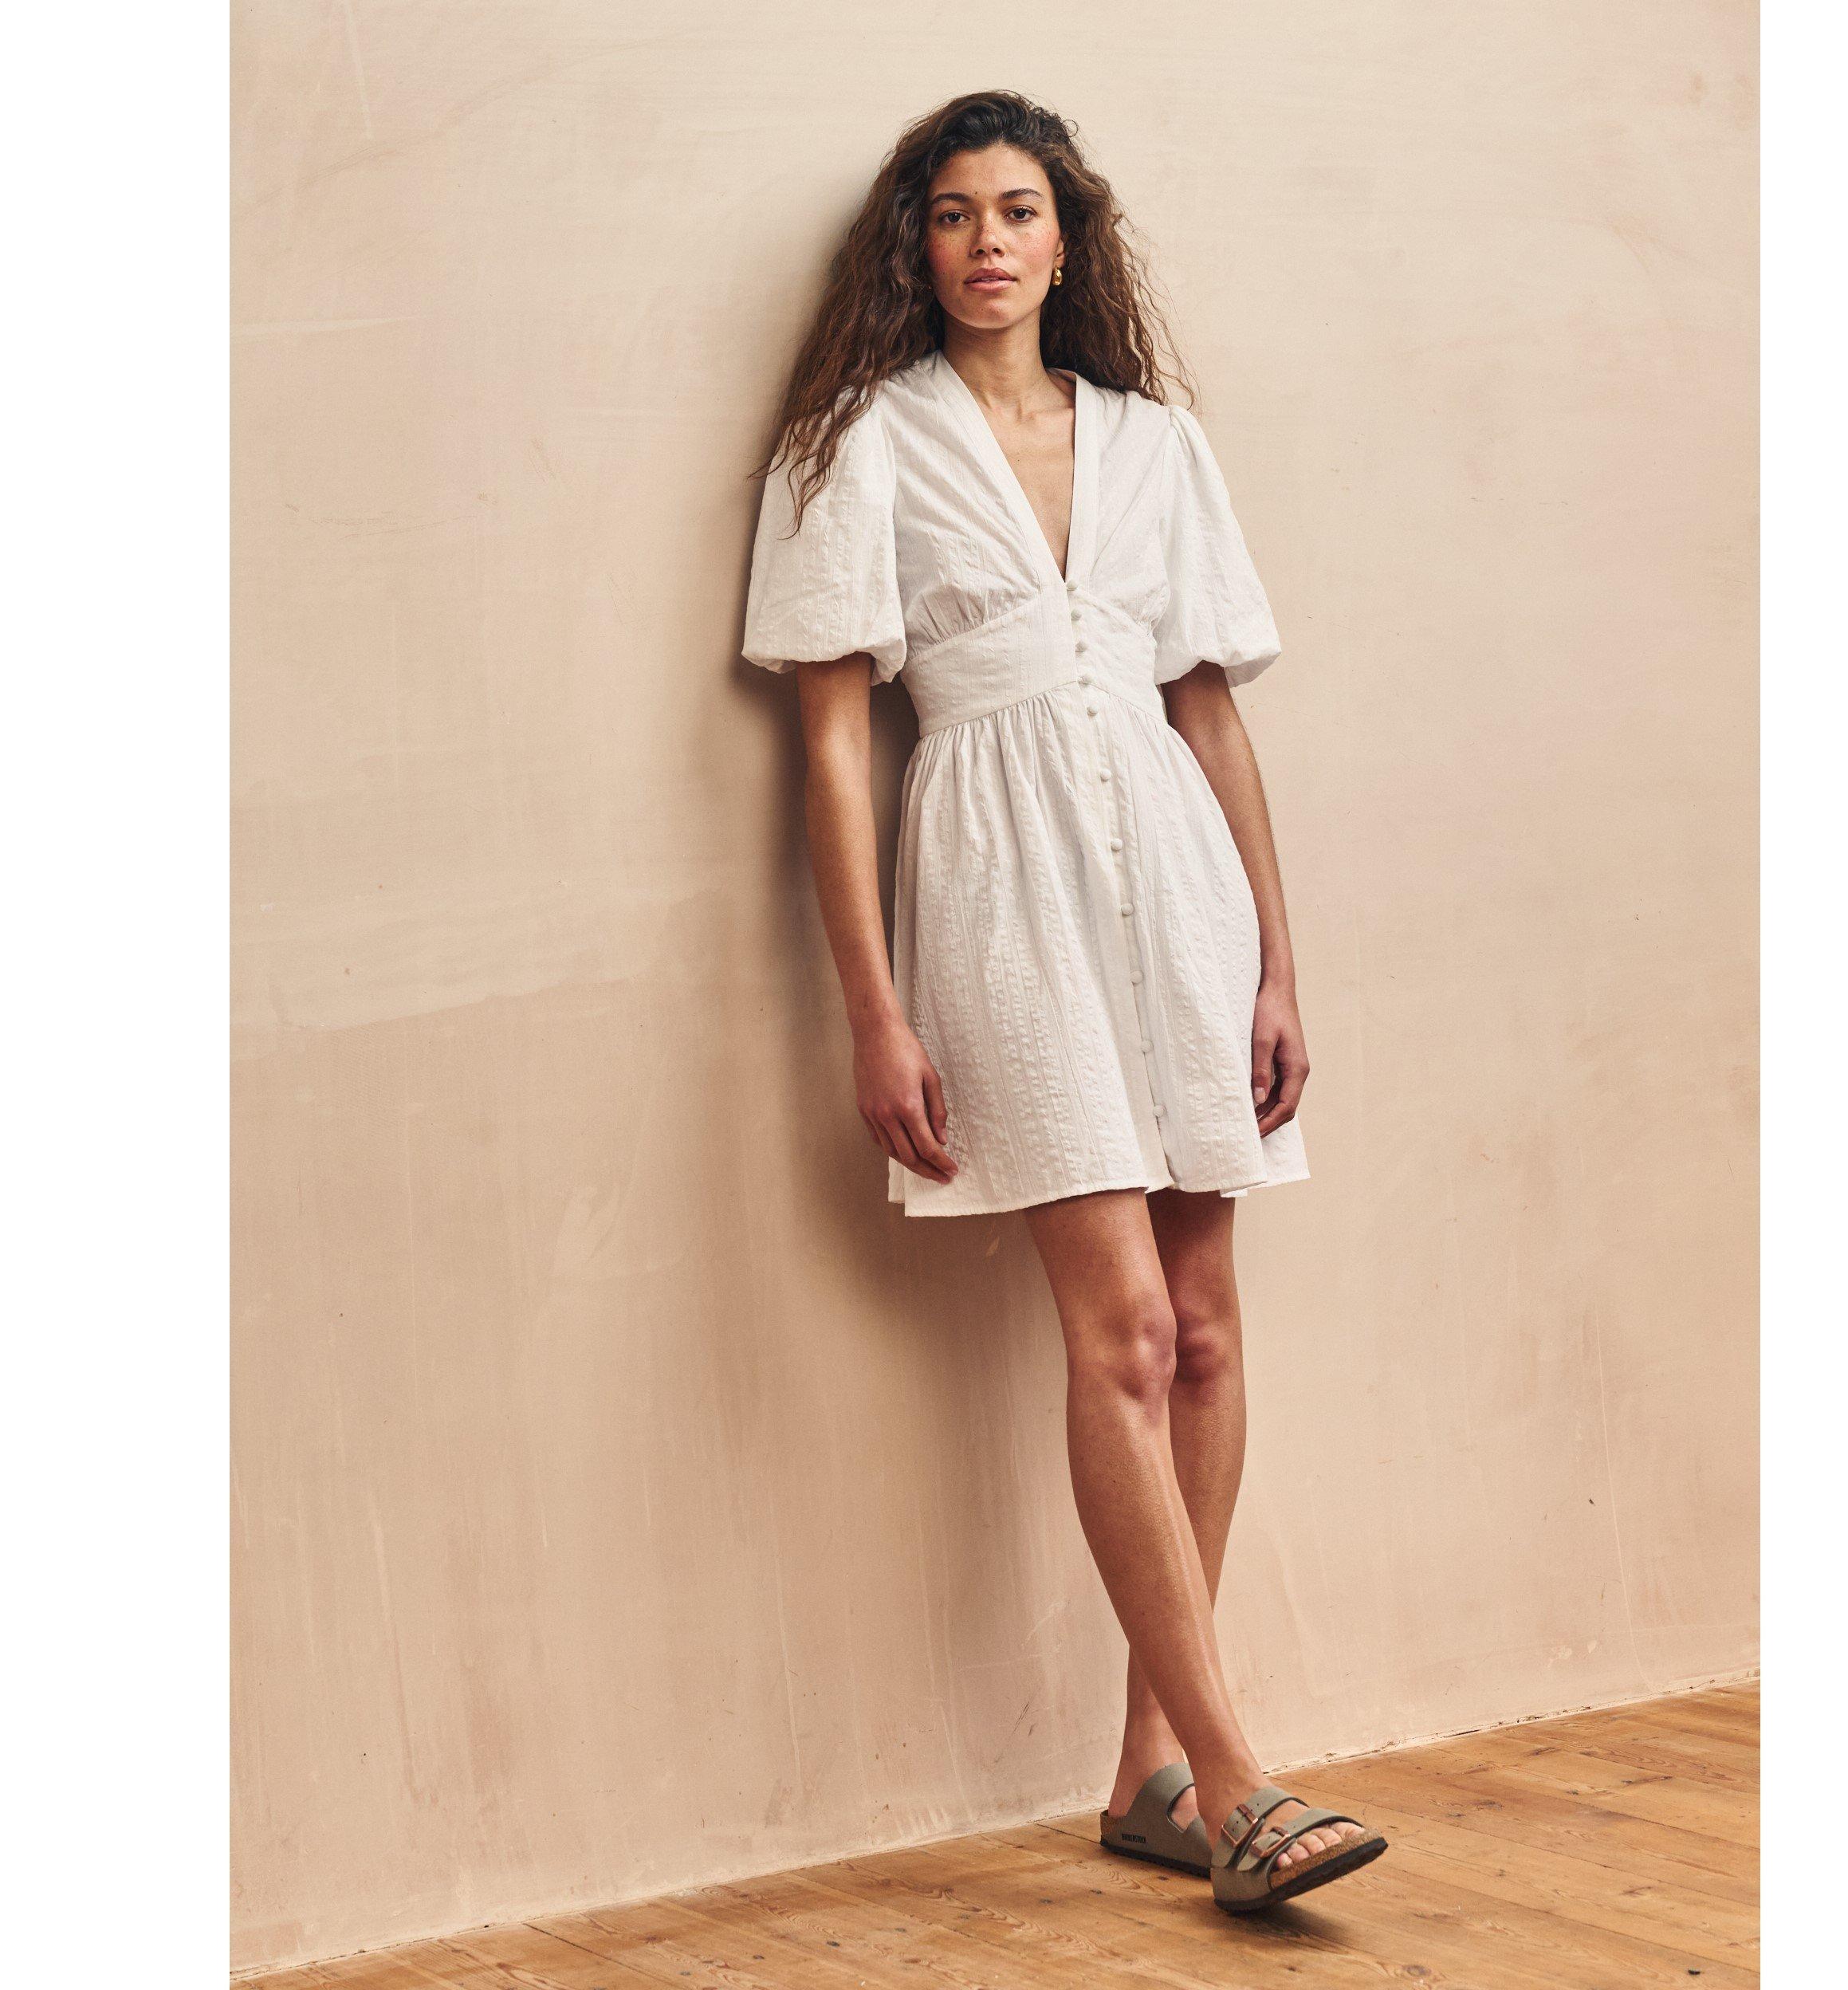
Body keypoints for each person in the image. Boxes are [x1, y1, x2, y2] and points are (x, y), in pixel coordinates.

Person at [741, 88, 1387, 1914]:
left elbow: (1210, 713)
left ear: (1068, 236)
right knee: (1120, 1329)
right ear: (914, 245)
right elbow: (835, 747)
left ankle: (1150, 1772)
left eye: (1018, 210)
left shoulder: (1157, 444)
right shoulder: (857, 445)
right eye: (952, 214)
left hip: (1178, 892)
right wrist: (873, 1011)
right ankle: (1240, 1781)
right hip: (1000, 892)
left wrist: (1276, 960)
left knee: (1208, 1330)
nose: (988, 243)